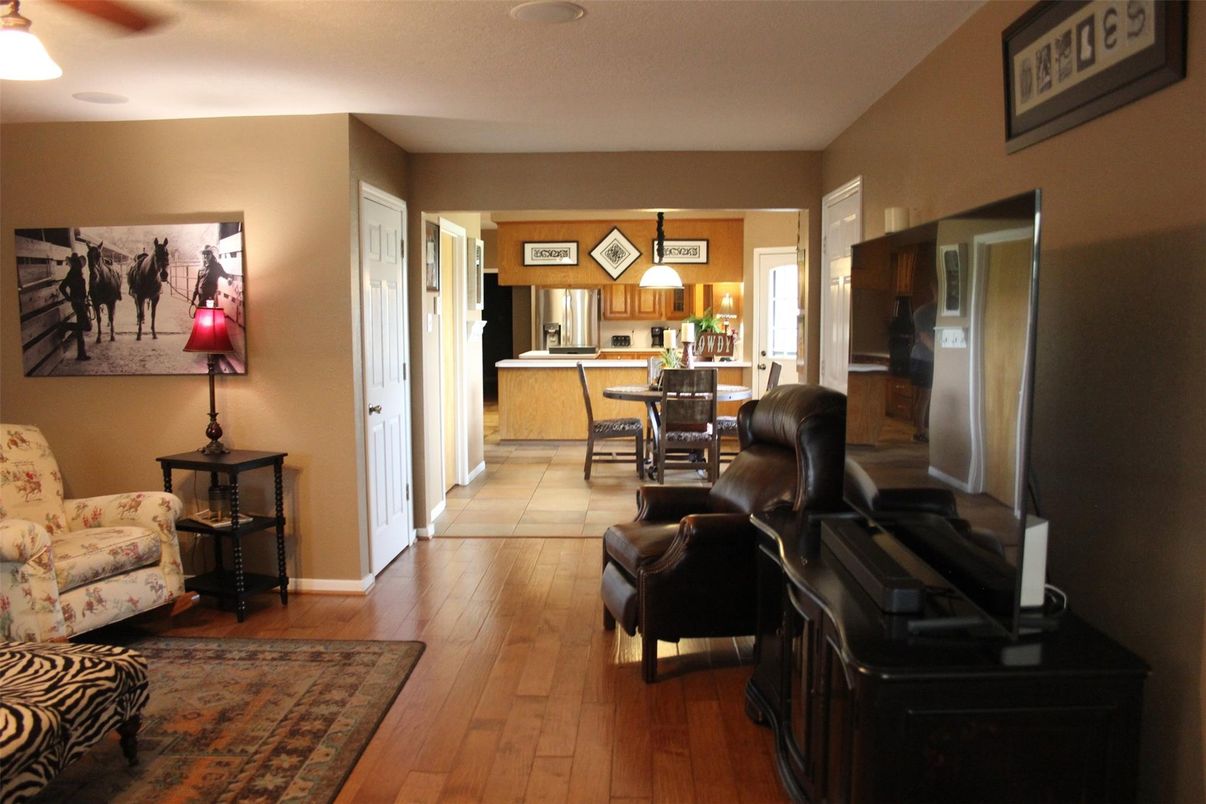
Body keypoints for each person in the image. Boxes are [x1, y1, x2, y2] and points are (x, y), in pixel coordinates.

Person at [910, 281, 937, 442]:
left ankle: (921, 429)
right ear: (933, 289)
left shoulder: (942, 311)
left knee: (925, 396)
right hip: (923, 358)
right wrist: (943, 355)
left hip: (928, 359)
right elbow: (926, 338)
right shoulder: (923, 313)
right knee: (924, 396)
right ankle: (920, 431)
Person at [58, 253, 91, 361]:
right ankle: (65, 327)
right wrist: (69, 297)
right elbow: (62, 287)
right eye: (77, 262)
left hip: (81, 302)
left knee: (81, 328)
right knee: (87, 326)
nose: (79, 264)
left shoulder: (78, 273)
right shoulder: (72, 274)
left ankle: (81, 354)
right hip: (77, 303)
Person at [191, 245, 231, 312]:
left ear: (211, 254)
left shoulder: (216, 266)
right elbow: (197, 283)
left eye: (208, 254)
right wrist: (193, 297)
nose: (206, 256)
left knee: (200, 313)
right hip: (201, 296)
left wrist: (229, 279)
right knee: (202, 315)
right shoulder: (202, 268)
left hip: (209, 297)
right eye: (204, 254)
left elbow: (224, 274)